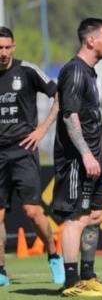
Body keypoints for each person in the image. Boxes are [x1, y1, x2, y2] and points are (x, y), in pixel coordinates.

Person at [51, 18, 102, 296]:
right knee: (76, 218)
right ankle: (70, 282)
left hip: (92, 158)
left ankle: (88, 275)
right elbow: (69, 116)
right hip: (78, 160)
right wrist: (87, 155)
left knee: (95, 215)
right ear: (91, 40)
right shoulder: (75, 71)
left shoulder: (89, 72)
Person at [0, 26, 64, 287]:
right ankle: (1, 270)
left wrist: (42, 129)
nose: (3, 53)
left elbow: (59, 95)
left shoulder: (27, 70)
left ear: (13, 47)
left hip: (23, 149)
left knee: (32, 212)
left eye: (6, 47)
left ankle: (54, 254)